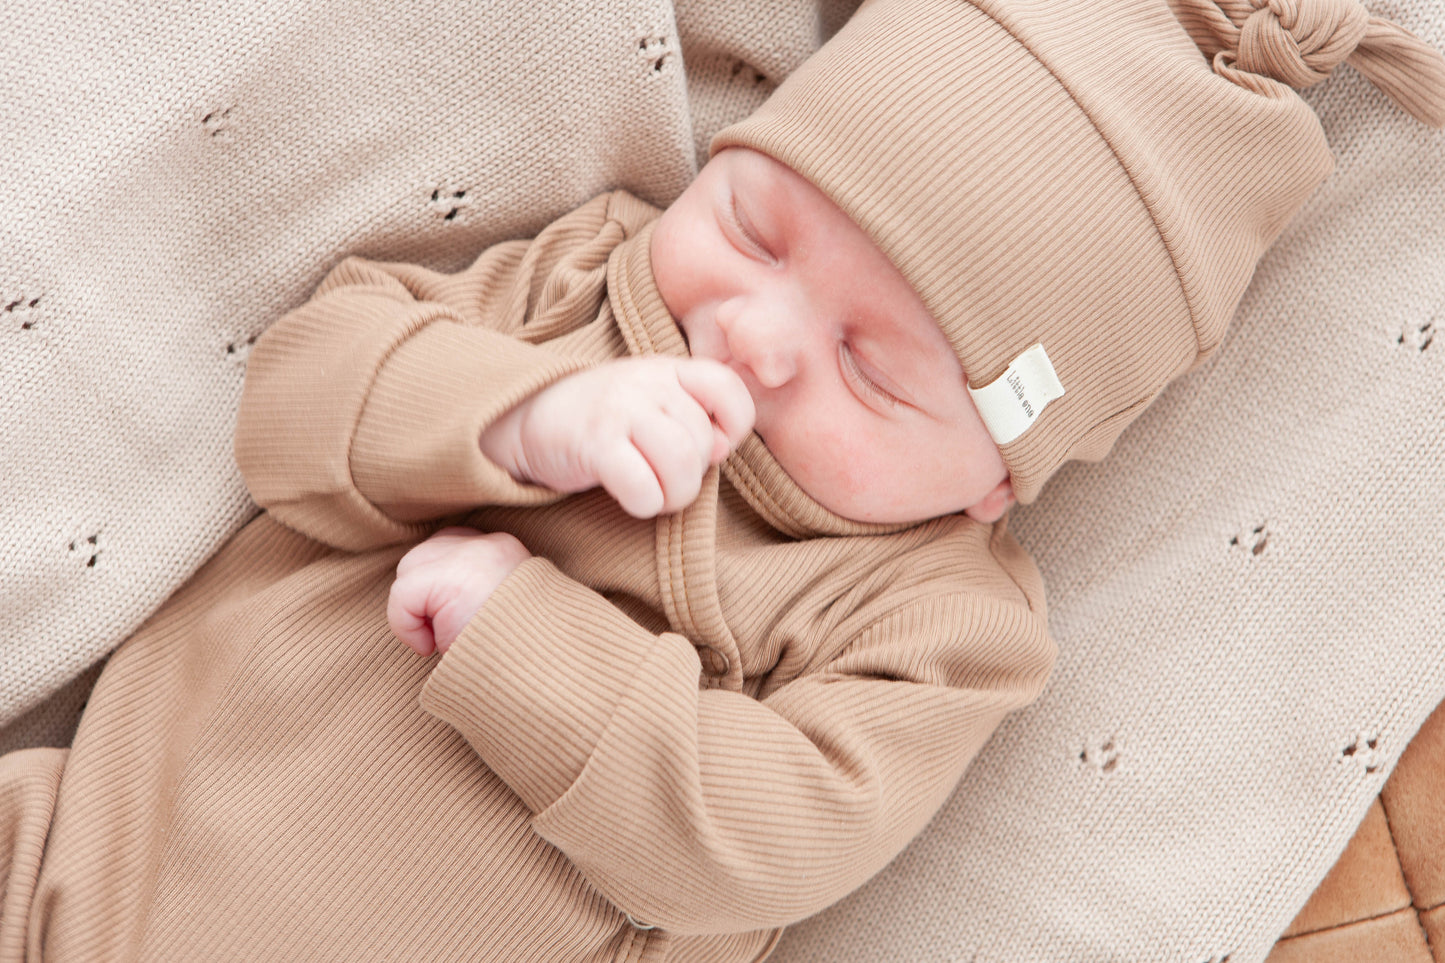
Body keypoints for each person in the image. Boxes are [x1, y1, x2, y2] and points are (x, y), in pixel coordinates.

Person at [2, 0, 1441, 959]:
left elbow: (757, 843)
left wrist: (530, 647)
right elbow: (300, 401)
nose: (751, 335)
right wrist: (516, 423)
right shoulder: (584, 288)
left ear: (1001, 474)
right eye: (753, 229)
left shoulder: (935, 625)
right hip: (69, 864)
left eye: (871, 366)